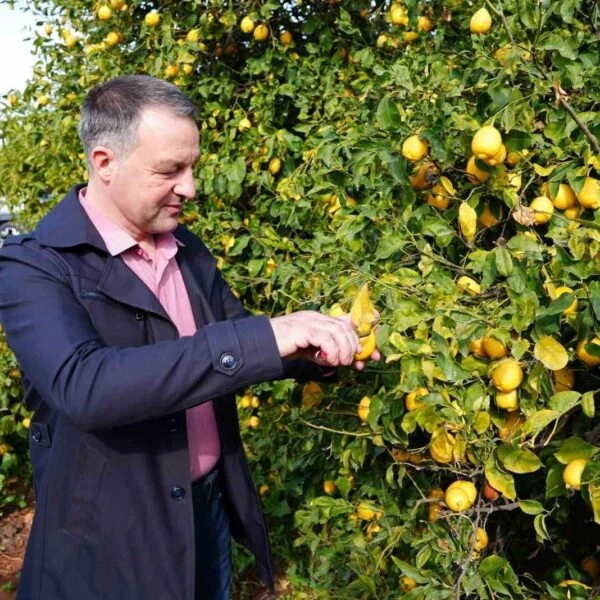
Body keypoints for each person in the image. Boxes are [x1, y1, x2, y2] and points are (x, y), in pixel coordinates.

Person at [0, 75, 378, 600]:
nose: (191, 188)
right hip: (111, 541)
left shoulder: (186, 249)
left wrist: (315, 350)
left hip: (205, 511)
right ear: (105, 163)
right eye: (170, 170)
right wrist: (266, 336)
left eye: (192, 166)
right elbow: (85, 386)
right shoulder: (35, 266)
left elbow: (238, 340)